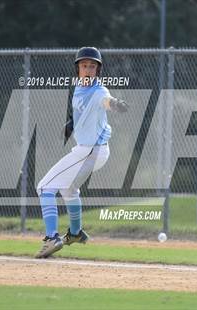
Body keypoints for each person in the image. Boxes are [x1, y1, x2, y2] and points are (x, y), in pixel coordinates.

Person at [35, 47, 128, 258]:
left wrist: (115, 104)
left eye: (92, 66)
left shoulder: (99, 91)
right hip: (94, 151)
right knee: (68, 190)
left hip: (89, 152)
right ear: (77, 68)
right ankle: (75, 233)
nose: (88, 69)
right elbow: (82, 110)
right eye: (84, 65)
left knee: (44, 187)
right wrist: (72, 123)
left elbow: (106, 101)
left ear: (98, 70)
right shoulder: (79, 87)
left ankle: (52, 238)